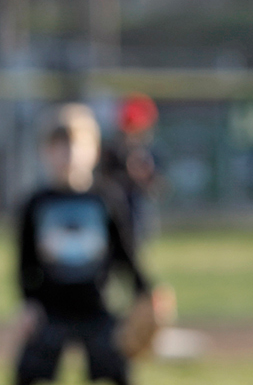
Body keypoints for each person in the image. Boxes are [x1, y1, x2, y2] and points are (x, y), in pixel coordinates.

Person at [13, 105, 153, 385]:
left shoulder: (107, 198)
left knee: (116, 370)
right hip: (50, 307)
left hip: (97, 304)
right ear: (46, 152)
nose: (69, 153)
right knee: (28, 372)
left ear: (95, 150)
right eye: (59, 145)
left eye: (77, 144)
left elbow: (125, 252)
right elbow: (25, 260)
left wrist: (145, 292)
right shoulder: (36, 203)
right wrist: (28, 302)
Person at [96, 93, 162, 249]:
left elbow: (157, 187)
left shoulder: (151, 151)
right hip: (114, 209)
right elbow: (102, 181)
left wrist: (143, 174)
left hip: (138, 210)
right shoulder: (112, 151)